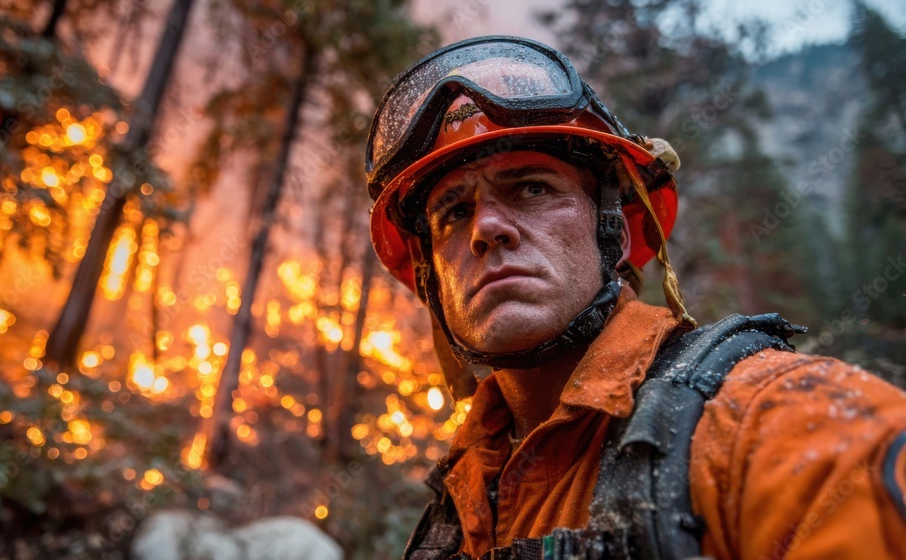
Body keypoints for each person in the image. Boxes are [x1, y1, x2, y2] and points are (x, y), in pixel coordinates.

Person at [363, 36, 906, 559]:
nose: (486, 228)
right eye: (454, 212)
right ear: (430, 275)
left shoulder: (764, 417)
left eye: (531, 187)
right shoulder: (458, 502)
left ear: (616, 235)